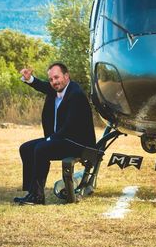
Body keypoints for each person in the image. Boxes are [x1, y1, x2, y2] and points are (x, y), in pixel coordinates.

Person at [14, 62, 96, 205]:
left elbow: (70, 127)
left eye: (57, 78)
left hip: (77, 143)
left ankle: (37, 197)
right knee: (26, 148)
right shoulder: (55, 89)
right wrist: (29, 79)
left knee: (41, 148)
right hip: (62, 139)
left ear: (66, 76)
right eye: (51, 79)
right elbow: (42, 85)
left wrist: (49, 140)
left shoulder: (75, 94)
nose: (54, 82)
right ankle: (32, 191)